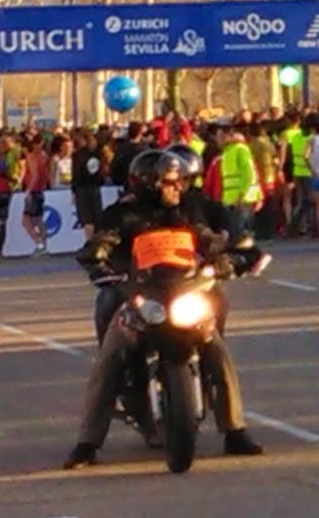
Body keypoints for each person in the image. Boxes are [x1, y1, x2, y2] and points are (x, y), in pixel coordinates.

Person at [64, 149, 263, 469]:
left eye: (180, 181)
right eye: (170, 182)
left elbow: (208, 238)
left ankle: (235, 430)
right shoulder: (122, 214)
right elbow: (102, 241)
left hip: (184, 292)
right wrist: (99, 260)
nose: (177, 188)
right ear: (149, 183)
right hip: (140, 296)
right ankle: (87, 443)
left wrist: (231, 257)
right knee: (110, 357)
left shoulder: (188, 210)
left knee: (217, 350)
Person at [218, 126, 263, 242]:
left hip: (243, 198)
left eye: (220, 136)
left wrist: (242, 194)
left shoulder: (240, 149)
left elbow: (249, 173)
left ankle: (249, 256)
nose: (218, 139)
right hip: (233, 199)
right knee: (236, 233)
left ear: (229, 136)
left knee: (239, 232)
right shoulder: (227, 151)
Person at [71, 128, 106, 236]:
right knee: (97, 219)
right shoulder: (98, 152)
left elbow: (76, 174)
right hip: (95, 187)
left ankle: (90, 243)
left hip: (82, 189)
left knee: (87, 221)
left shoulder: (78, 155)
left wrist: (73, 190)